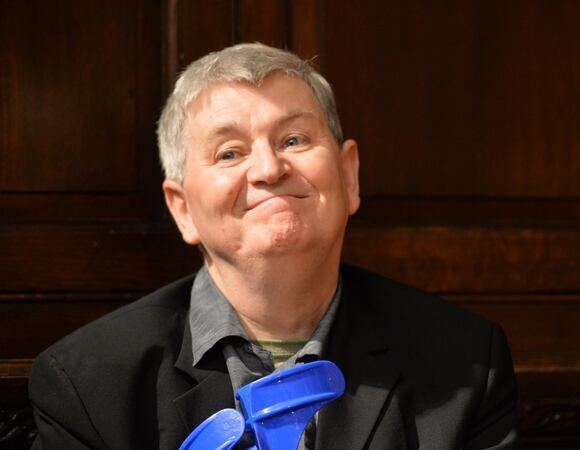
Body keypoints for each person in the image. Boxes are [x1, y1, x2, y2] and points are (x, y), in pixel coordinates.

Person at [28, 43, 521, 449]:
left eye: (293, 140)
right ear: (182, 209)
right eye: (229, 152)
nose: (268, 169)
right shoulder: (88, 383)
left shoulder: (466, 360)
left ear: (349, 177)